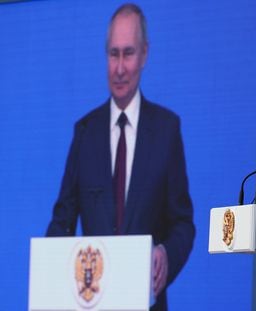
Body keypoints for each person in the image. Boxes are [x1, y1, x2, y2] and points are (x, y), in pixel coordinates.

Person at [46, 3, 195, 311]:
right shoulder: (84, 133)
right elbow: (61, 222)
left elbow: (182, 223)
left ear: (144, 55)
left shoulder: (167, 130)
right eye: (113, 54)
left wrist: (166, 254)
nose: (120, 67)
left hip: (147, 302)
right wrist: (50, 275)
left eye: (128, 53)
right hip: (91, 302)